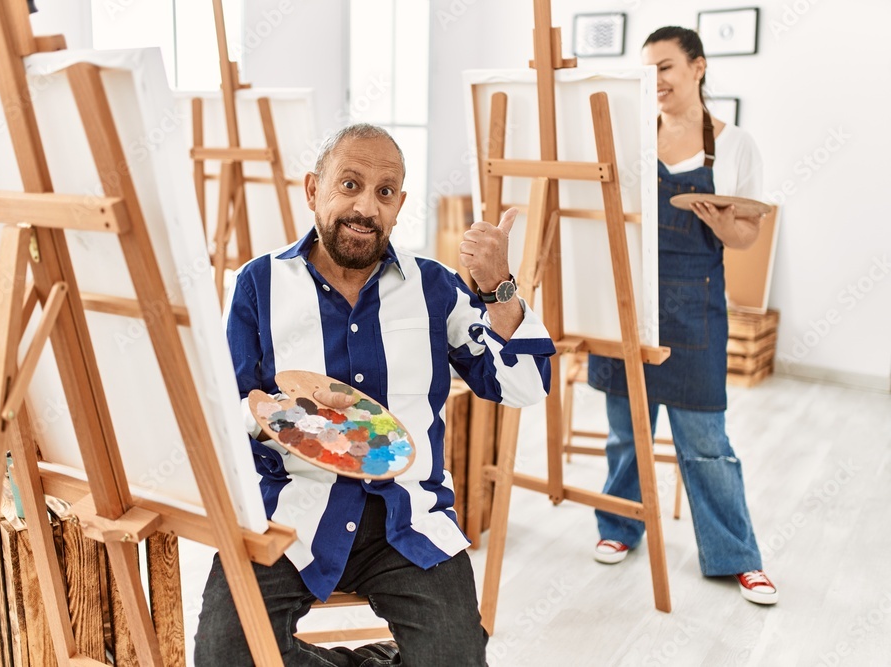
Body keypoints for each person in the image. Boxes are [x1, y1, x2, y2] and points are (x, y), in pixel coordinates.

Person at [194, 123, 556, 665]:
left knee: (457, 659)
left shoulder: (435, 287)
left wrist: (499, 289)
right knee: (225, 658)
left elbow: (523, 385)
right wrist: (266, 411)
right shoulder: (258, 284)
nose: (366, 206)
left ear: (400, 203)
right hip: (291, 511)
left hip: (408, 517)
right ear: (314, 189)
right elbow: (227, 408)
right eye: (350, 185)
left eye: (385, 192)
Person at [587, 26, 778, 605]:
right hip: (630, 306)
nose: (657, 82)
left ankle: (736, 556)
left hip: (694, 310)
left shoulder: (733, 144)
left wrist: (719, 219)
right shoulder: (629, 139)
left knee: (705, 440)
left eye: (666, 67)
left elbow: (745, 235)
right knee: (627, 433)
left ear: (697, 67)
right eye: (648, 71)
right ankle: (619, 526)